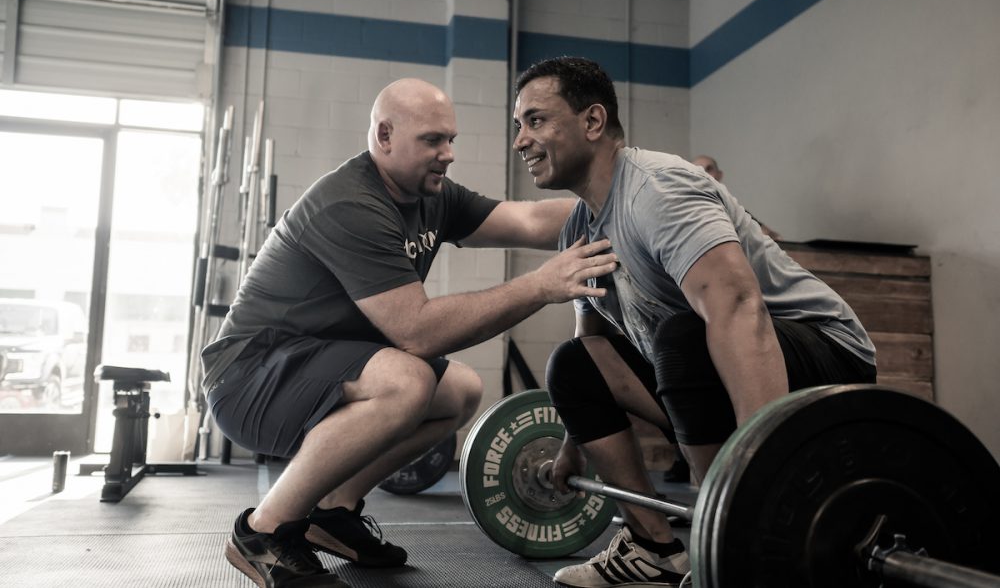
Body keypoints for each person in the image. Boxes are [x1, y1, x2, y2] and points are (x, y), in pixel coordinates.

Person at [202, 78, 618, 588]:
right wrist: (540, 286)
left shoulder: (430, 195)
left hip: (311, 363)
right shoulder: (351, 203)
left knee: (458, 391)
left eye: (451, 140)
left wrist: (620, 203)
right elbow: (417, 333)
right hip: (249, 381)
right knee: (408, 379)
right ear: (384, 136)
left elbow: (529, 219)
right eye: (432, 141)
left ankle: (333, 511)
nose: (447, 154)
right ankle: (263, 533)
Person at [511, 57, 877, 588]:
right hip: (716, 366)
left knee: (681, 336)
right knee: (572, 364)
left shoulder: (657, 191)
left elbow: (738, 311)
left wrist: (749, 490)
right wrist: (574, 447)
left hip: (825, 359)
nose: (521, 140)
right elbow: (594, 346)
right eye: (517, 126)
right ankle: (651, 546)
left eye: (536, 120)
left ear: (592, 122)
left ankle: (722, 540)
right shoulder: (579, 231)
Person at [691, 154, 782, 240]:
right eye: (698, 170)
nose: (704, 174)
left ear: (719, 175)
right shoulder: (687, 212)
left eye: (709, 169)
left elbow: (771, 236)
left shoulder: (732, 208)